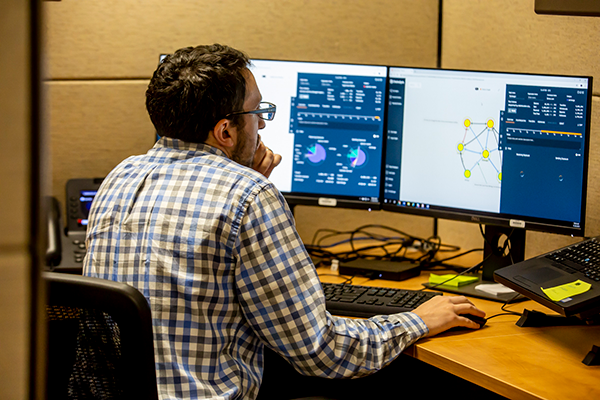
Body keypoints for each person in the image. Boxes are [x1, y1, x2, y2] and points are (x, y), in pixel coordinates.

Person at [83, 44, 485, 400]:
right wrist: (416, 320)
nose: (262, 125)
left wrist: (246, 180)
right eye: (258, 113)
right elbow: (320, 352)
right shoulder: (247, 196)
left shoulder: (121, 176)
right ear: (225, 130)